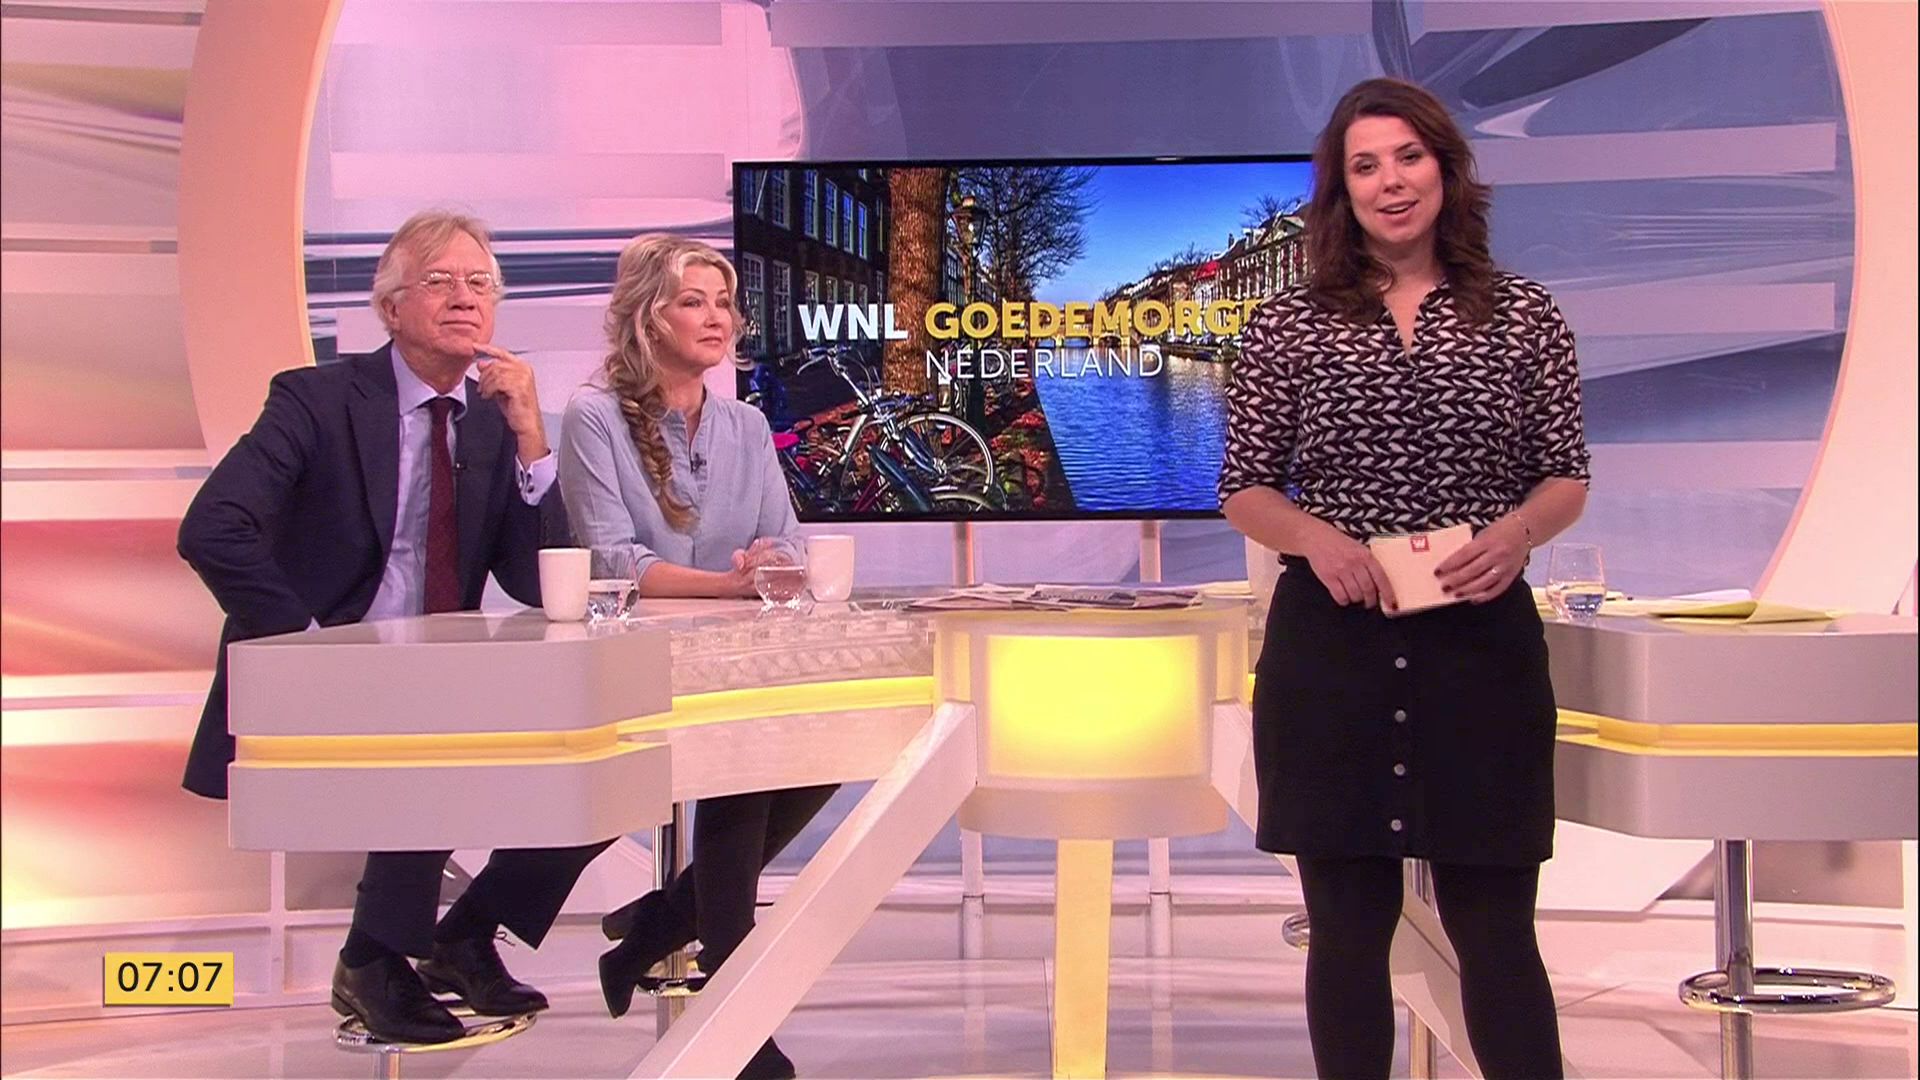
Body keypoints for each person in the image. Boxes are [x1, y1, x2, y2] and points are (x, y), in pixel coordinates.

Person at [1219, 77, 1590, 1080]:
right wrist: (1318, 540)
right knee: (1346, 932)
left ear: (1446, 168)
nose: (1391, 182)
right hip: (1333, 650)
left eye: (1408, 158)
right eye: (1366, 165)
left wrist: (1515, 533)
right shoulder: (1290, 326)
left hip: (1479, 648)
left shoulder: (1526, 316)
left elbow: (1566, 477)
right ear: (1342, 189)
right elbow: (1245, 489)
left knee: (1496, 931)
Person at [178, 210, 611, 1046]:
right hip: (325, 666)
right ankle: (374, 959)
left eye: (481, 284)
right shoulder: (316, 400)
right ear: (390, 308)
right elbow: (212, 529)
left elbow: (534, 582)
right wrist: (307, 640)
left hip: (436, 670)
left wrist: (532, 439)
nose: (465, 299)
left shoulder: (493, 418)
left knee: (597, 754)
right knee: (434, 735)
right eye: (440, 282)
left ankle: (462, 934)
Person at [558, 233, 833, 1080]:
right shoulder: (593, 417)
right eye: (693, 302)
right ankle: (733, 1012)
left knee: (830, 746)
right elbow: (614, 559)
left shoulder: (746, 423)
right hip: (637, 666)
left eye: (724, 303)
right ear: (649, 316)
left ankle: (663, 923)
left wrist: (770, 563)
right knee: (743, 760)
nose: (717, 318)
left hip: (740, 659)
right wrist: (728, 585)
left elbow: (787, 540)